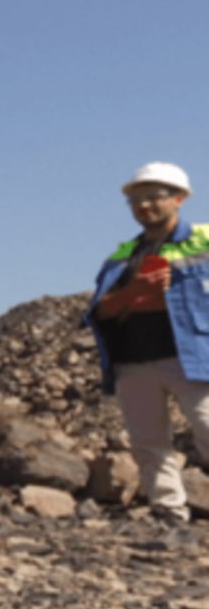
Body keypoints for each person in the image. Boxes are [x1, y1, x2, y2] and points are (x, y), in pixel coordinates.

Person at [87, 161, 209, 524]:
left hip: (193, 357)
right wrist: (134, 293)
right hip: (133, 361)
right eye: (136, 201)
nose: (144, 206)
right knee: (148, 441)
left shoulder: (203, 240)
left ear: (180, 198)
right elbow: (100, 311)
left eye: (154, 197)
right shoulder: (122, 256)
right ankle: (168, 509)